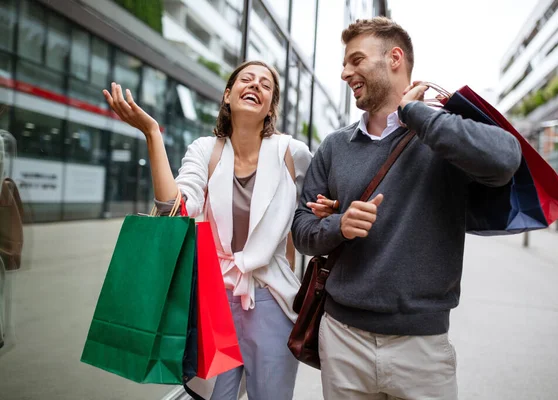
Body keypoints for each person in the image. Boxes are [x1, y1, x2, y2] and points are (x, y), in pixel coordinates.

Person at [292, 17, 522, 400]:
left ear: (394, 58)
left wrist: (415, 114)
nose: (345, 72)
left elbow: (505, 159)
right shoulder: (334, 146)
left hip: (422, 348)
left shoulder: (442, 132)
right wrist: (339, 226)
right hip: (342, 338)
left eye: (356, 60)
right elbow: (301, 229)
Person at [103, 60, 334, 400]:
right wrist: (153, 134)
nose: (255, 85)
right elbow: (177, 209)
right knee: (215, 396)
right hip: (214, 299)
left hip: (271, 297)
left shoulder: (292, 153)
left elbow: (316, 208)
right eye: (246, 79)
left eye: (265, 84)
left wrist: (328, 209)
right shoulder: (205, 150)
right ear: (228, 95)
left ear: (271, 106)